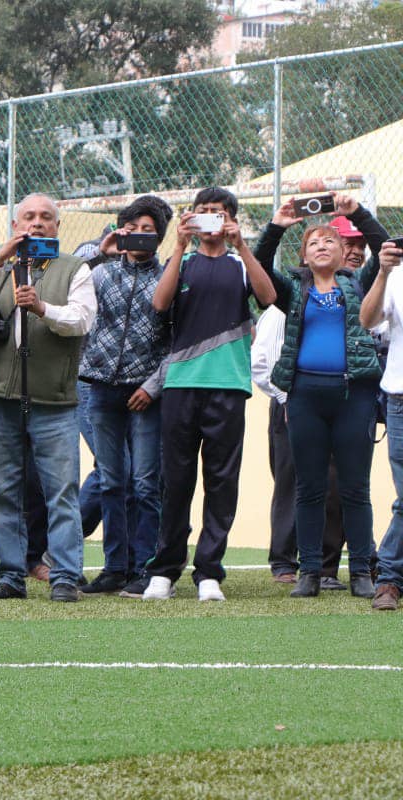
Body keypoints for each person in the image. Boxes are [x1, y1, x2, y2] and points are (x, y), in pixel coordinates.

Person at [0, 193, 97, 603]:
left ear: (57, 226)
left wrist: (41, 308)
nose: (36, 224)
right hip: (1, 396)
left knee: (60, 490)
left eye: (45, 218)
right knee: (2, 489)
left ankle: (65, 576)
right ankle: (11, 576)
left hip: (53, 399)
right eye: (28, 217)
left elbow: (81, 320)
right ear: (16, 224)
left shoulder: (75, 268)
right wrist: (0, 256)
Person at [141, 187, 276, 601]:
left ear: (231, 219)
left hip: (229, 386)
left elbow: (269, 298)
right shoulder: (181, 261)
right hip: (181, 384)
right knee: (176, 481)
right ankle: (164, 571)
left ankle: (209, 572)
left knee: (221, 481)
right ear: (191, 218)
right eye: (203, 212)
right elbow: (160, 304)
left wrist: (243, 245)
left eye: (218, 212)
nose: (211, 218)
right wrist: (178, 246)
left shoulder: (239, 264)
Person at [253, 194, 384, 599]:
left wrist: (356, 213)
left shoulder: (360, 284)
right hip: (305, 395)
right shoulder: (293, 290)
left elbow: (384, 248)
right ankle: (309, 572)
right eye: (313, 242)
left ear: (345, 252)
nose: (322, 246)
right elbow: (258, 266)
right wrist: (277, 225)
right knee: (308, 487)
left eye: (330, 241)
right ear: (305, 256)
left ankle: (361, 571)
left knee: (354, 488)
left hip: (354, 395)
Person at [77, 196, 171, 595]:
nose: (140, 237)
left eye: (149, 231)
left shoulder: (168, 278)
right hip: (100, 388)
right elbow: (64, 278)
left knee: (145, 483)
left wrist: (152, 387)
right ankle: (115, 567)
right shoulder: (99, 273)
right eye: (133, 229)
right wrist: (101, 252)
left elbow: (178, 342)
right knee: (113, 481)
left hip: (146, 394)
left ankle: (144, 568)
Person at [361, 240, 403, 610]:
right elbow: (368, 320)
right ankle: (389, 577)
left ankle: (389, 573)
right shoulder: (396, 275)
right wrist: (384, 272)